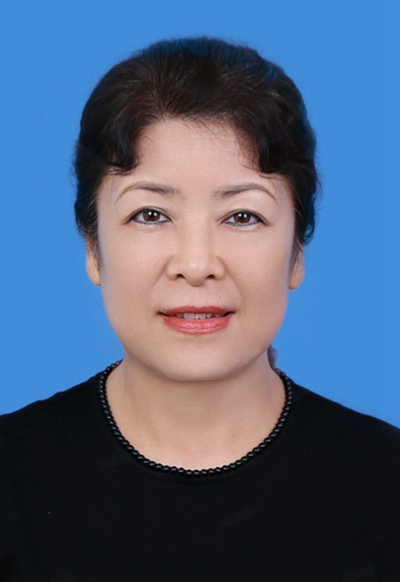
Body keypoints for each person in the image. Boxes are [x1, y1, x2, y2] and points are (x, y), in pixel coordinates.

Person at [1, 37, 399, 581]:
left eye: (242, 216)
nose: (196, 264)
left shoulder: (385, 484)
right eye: (150, 214)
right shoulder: (12, 480)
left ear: (297, 252)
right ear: (93, 248)